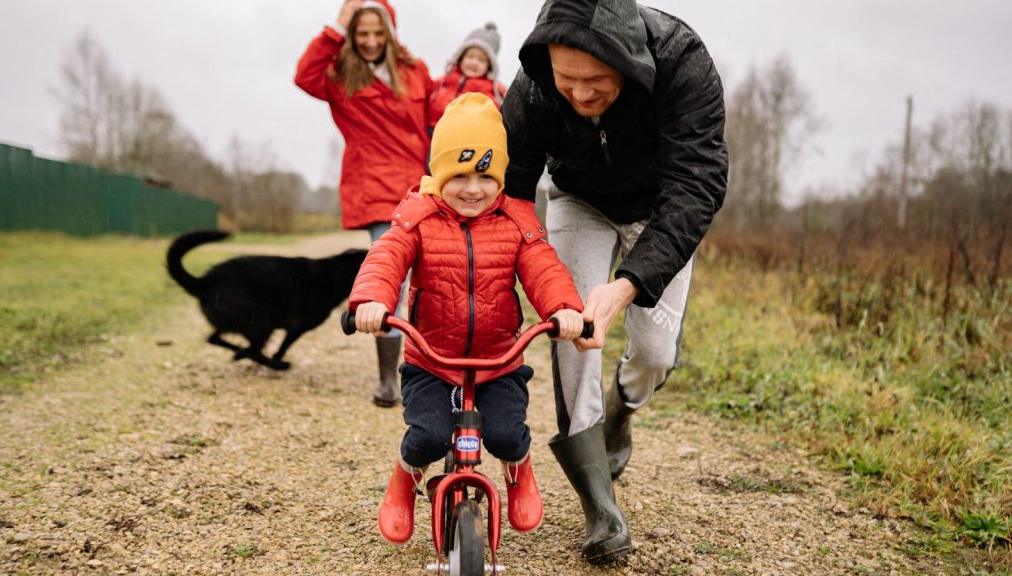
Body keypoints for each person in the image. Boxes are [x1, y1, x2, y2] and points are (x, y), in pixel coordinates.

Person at [501, 0, 729, 564]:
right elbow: (510, 190)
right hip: (577, 199)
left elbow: (697, 188)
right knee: (573, 330)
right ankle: (600, 507)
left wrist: (626, 285)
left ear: (628, 63)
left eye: (596, 80)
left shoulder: (683, 64)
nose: (579, 94)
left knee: (653, 351)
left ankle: (621, 414)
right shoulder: (532, 88)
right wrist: (525, 271)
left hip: (658, 208)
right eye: (567, 79)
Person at [347, 93, 586, 544]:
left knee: (506, 434)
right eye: (459, 175)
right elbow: (386, 258)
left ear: (500, 177)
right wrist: (372, 302)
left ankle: (519, 472)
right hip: (431, 361)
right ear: (439, 174)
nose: (472, 189)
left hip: (499, 361)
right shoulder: (418, 216)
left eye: (484, 176)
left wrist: (564, 310)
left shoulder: (517, 220)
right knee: (428, 437)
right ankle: (403, 482)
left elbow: (544, 268)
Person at [295, 0, 433, 408]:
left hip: (422, 184)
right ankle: (388, 379)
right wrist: (336, 27)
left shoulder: (415, 70)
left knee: (434, 277)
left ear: (390, 32)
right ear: (353, 37)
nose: (371, 41)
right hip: (376, 189)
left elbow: (436, 117)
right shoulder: (340, 76)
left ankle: (431, 369)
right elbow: (303, 76)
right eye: (362, 33)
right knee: (391, 278)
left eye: (377, 33)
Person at [427, 22, 508, 129]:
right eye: (470, 56)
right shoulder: (444, 81)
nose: (474, 62)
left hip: (463, 137)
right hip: (432, 131)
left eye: (481, 60)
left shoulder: (492, 91)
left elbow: (494, 114)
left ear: (489, 67)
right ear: (460, 58)